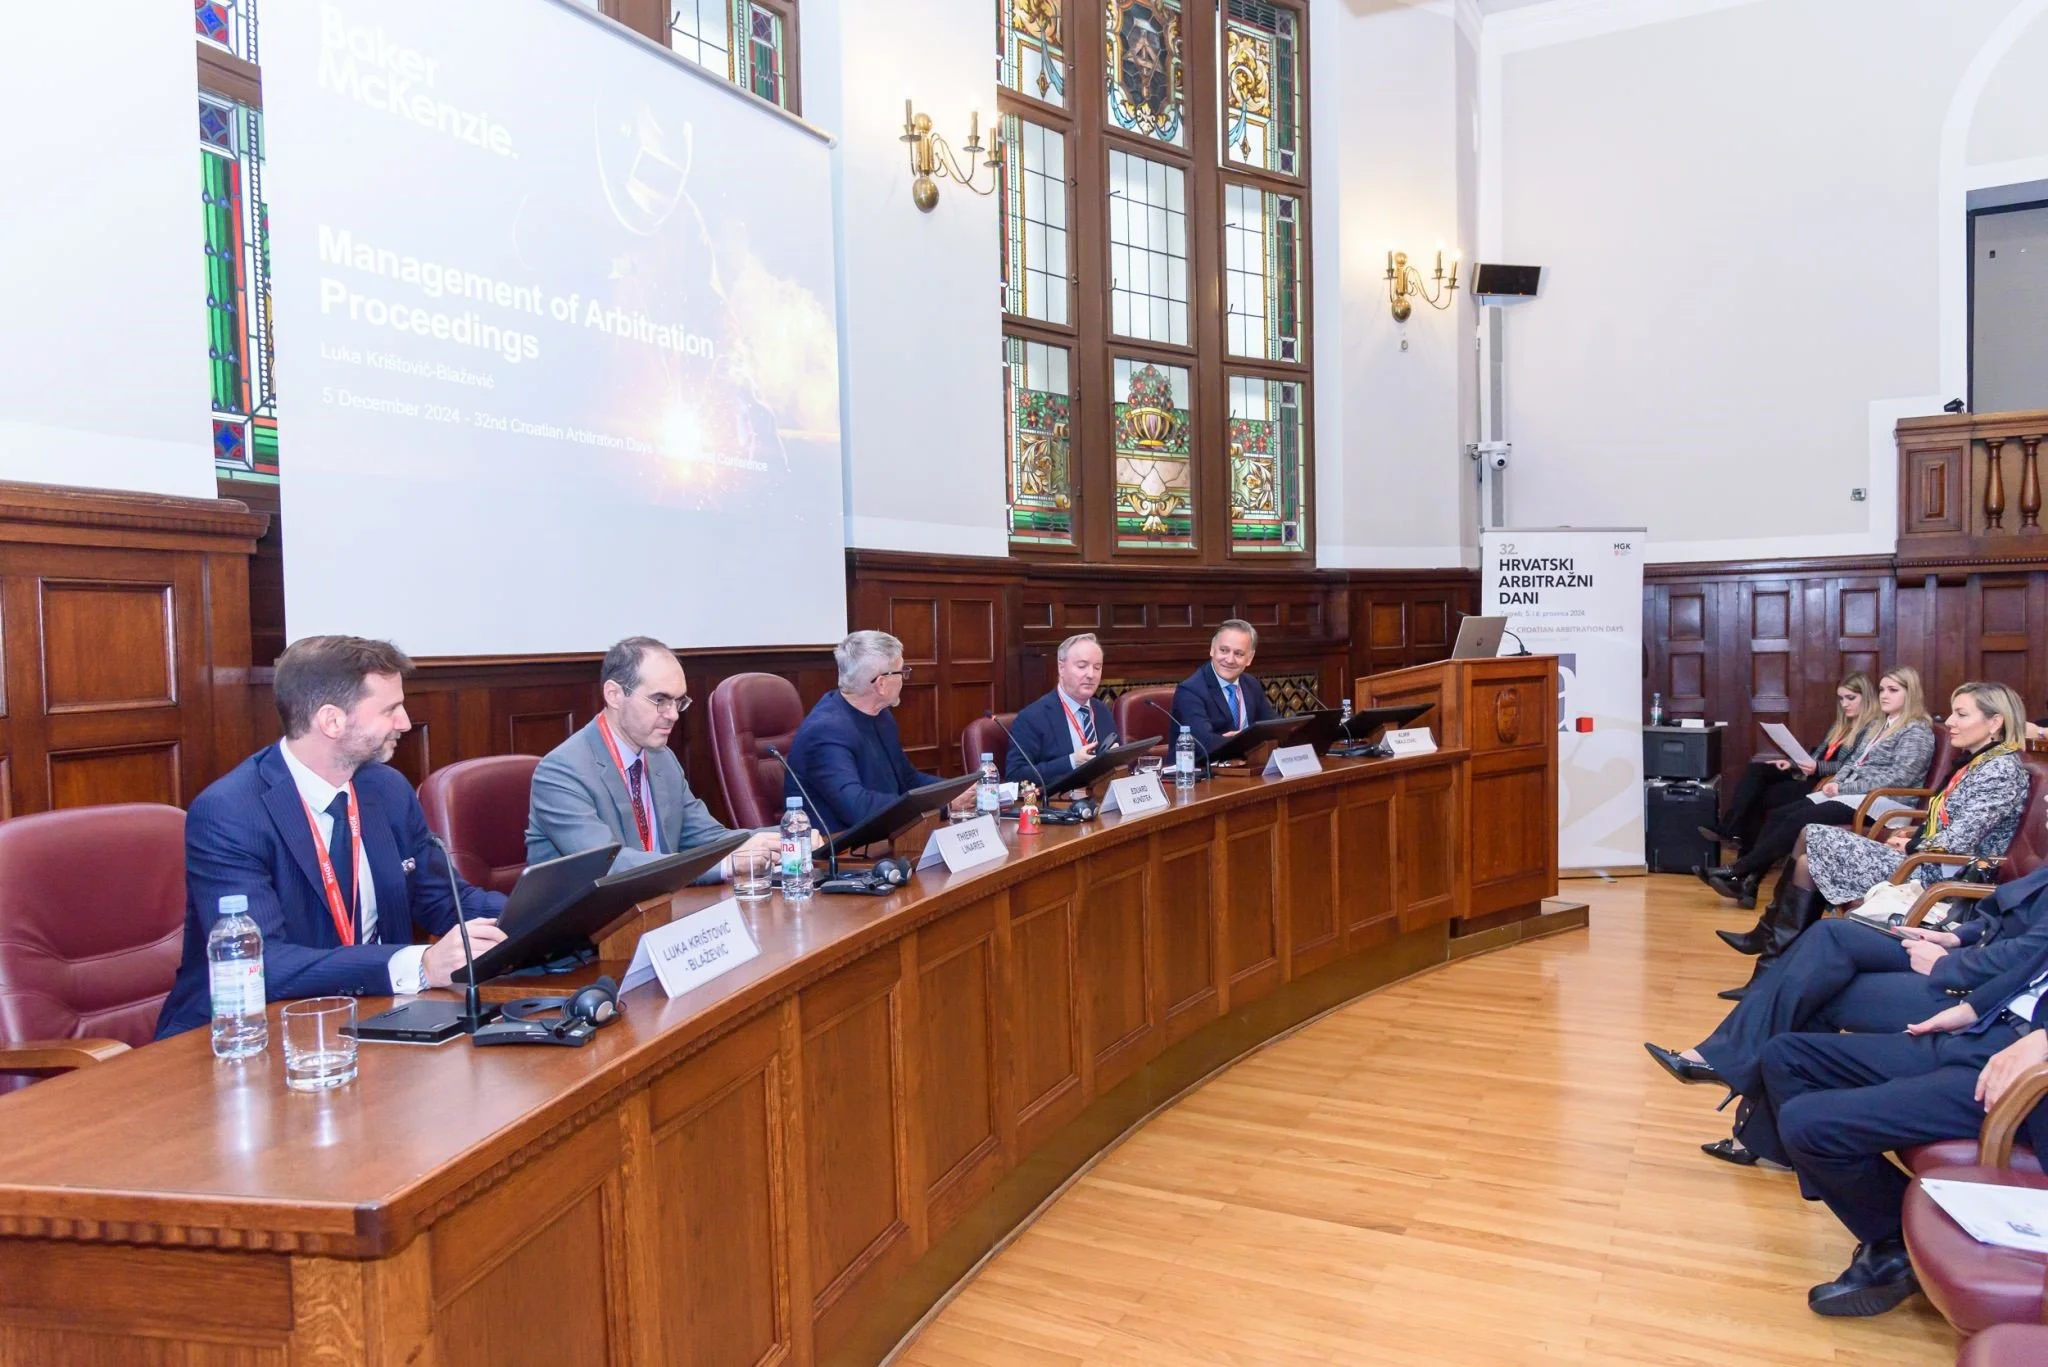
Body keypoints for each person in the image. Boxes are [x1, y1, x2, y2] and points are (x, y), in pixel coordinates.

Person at [155, 636, 508, 1038]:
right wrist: (421, 966)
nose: (405, 723)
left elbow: (445, 901)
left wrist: (548, 913)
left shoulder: (386, 789)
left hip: (377, 1021)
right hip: (243, 1035)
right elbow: (261, 961)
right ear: (332, 721)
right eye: (391, 709)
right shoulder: (231, 813)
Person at [1644, 854, 2048, 1164]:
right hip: (1970, 956)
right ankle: (1737, 1081)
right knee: (1830, 937)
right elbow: (2005, 913)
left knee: (1820, 986)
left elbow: (2031, 953)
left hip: (1983, 987)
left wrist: (1947, 964)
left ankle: (1750, 1114)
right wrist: (1954, 939)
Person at [1725, 946, 2048, 1317]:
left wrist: (2043, 1039)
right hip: (1985, 1031)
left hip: (2020, 1077)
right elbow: (2037, 966)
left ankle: (1896, 1241)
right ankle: (1870, 1214)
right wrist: (1968, 1010)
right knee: (1786, 1056)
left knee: (1808, 1123)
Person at [1717, 680, 2028, 1002]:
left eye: (1961, 714)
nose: (1949, 721)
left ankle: (1769, 964)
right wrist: (1914, 834)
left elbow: (1960, 842)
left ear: (1995, 722)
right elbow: (1952, 821)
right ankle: (1771, 969)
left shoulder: (1999, 769)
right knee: (1810, 850)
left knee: (1811, 839)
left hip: (1943, 873)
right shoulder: (1980, 761)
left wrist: (1911, 846)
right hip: (1930, 860)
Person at [525, 637, 781, 880]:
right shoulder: (562, 771)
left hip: (659, 908)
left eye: (678, 702)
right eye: (660, 700)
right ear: (614, 694)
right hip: (591, 922)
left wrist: (786, 837)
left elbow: (707, 838)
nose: (673, 715)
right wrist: (727, 865)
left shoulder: (662, 758)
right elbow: (609, 866)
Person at [1702, 666, 1932, 913]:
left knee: (1799, 819)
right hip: (1856, 795)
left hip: (1885, 803)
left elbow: (1899, 779)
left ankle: (1738, 871)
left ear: (1910, 694)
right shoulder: (1884, 726)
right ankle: (1746, 882)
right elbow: (1854, 763)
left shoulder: (1916, 730)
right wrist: (1839, 784)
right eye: (1882, 689)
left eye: (1893, 690)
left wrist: (1844, 786)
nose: (1884, 695)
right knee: (1782, 815)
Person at [785, 630, 972, 835]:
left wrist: (958, 790)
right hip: (840, 853)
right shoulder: (825, 732)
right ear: (881, 684)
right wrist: (943, 807)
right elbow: (857, 807)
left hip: (882, 839)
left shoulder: (881, 717)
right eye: (903, 672)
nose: (905, 679)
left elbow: (908, 779)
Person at [1697, 673, 1879, 866]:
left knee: (1759, 796)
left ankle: (1741, 855)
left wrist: (1817, 767)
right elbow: (1818, 754)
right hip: (1810, 772)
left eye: (1851, 698)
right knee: (1757, 770)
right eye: (1841, 699)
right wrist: (1792, 763)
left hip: (1823, 783)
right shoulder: (1841, 725)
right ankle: (1732, 827)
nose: (1844, 704)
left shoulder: (1871, 729)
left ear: (1866, 697)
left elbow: (1850, 766)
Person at [1004, 632, 1118, 794]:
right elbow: (1015, 776)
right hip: (1058, 807)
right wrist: (1071, 762)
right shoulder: (1032, 717)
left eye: (1097, 667)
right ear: (1061, 668)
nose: (1091, 675)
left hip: (1101, 800)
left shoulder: (1102, 710)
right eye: (1082, 666)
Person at [1172, 619, 1275, 757]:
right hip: (1197, 773)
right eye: (1224, 650)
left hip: (1245, 769)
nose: (1230, 659)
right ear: (1212, 650)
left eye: (1238, 653)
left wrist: (1241, 738)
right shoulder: (1190, 691)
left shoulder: (1251, 684)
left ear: (1249, 658)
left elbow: (1274, 728)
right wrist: (1247, 738)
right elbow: (1204, 744)